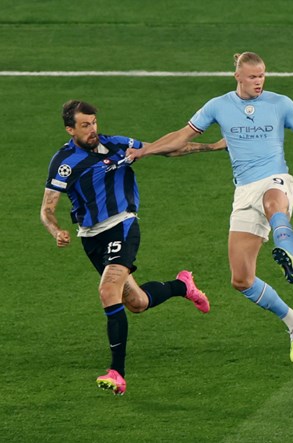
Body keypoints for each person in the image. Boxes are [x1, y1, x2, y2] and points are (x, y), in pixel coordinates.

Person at [127, 52, 293, 362]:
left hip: (276, 178)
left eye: (262, 75)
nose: (259, 81)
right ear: (238, 77)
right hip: (244, 192)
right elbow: (182, 135)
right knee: (241, 279)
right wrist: (146, 151)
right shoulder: (218, 105)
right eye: (253, 76)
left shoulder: (280, 103)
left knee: (274, 201)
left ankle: (287, 252)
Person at [41, 100, 216, 395]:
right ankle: (182, 286)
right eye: (85, 125)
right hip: (90, 236)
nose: (93, 129)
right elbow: (46, 209)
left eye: (94, 122)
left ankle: (117, 373)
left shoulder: (119, 145)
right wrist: (56, 230)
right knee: (137, 302)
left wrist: (215, 147)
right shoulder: (64, 161)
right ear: (70, 129)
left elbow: (167, 149)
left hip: (122, 225)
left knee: (108, 290)